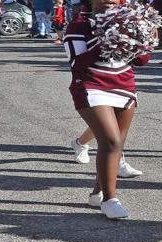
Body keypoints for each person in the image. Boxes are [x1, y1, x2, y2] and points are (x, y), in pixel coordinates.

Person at [64, 0, 152, 217]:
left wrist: (142, 38)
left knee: (116, 144)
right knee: (111, 141)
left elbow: (142, 61)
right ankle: (110, 200)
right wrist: (106, 42)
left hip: (124, 84)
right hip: (91, 85)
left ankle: (97, 195)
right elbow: (77, 63)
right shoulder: (79, 24)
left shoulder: (130, 21)